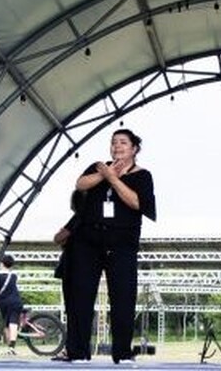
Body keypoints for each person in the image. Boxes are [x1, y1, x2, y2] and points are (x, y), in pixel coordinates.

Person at [64, 129, 156, 364]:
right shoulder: (99, 167)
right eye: (114, 143)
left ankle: (122, 353)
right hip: (89, 241)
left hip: (122, 243)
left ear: (134, 148)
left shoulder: (143, 176)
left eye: (123, 143)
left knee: (123, 297)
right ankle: (78, 351)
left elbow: (137, 202)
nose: (117, 147)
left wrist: (113, 178)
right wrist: (105, 173)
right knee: (81, 295)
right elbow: (81, 184)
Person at [50, 189, 85, 361]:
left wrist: (63, 234)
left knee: (73, 310)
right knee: (80, 310)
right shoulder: (93, 220)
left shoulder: (78, 217)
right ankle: (79, 349)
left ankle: (72, 349)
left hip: (72, 267)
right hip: (83, 268)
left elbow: (58, 237)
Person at [0, 254, 24, 356]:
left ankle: (10, 347)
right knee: (12, 322)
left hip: (4, 303)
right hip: (16, 301)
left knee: (8, 324)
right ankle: (11, 347)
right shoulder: (14, 276)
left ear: (1, 263)